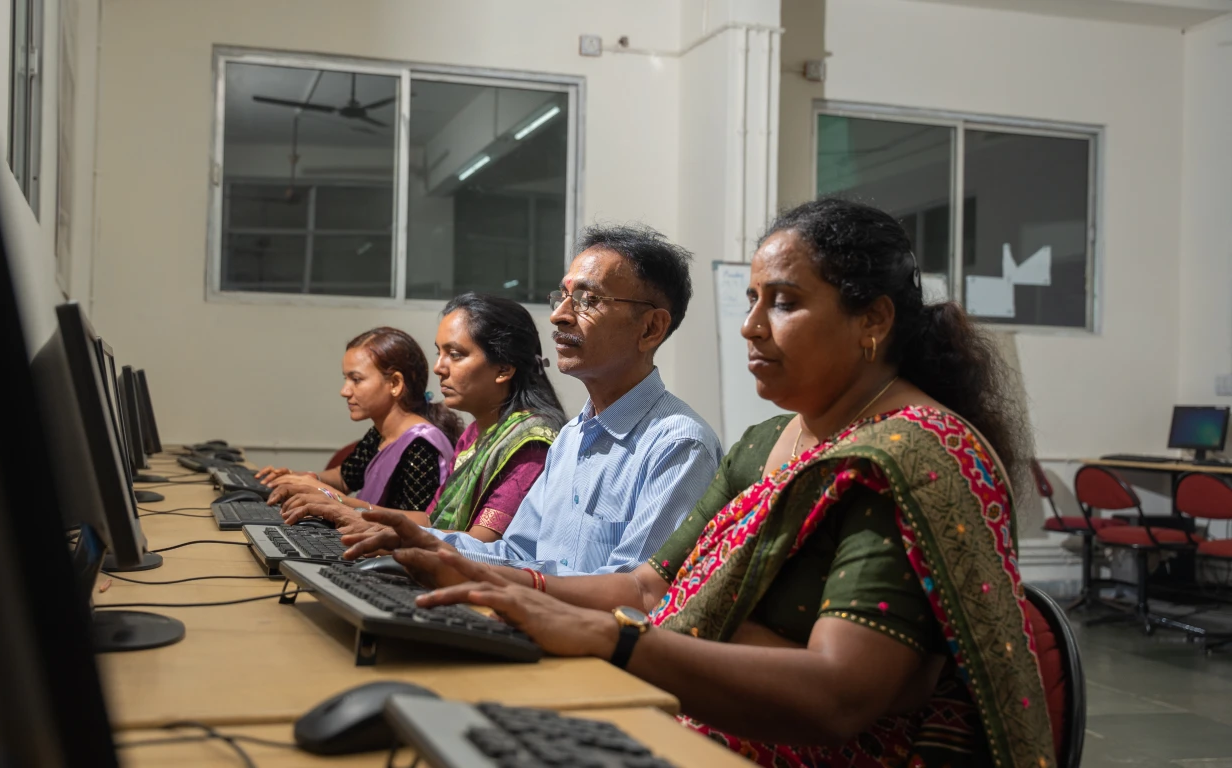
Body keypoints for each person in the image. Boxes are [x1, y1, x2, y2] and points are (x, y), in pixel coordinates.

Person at [348, 200, 1056, 768]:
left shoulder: (909, 458)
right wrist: (504, 584)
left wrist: (614, 642)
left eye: (782, 302)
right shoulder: (762, 445)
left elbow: (840, 697)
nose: (749, 327)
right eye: (751, 299)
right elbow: (654, 587)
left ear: (872, 321)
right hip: (696, 711)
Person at [347, 224, 724, 576]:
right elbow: (515, 554)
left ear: (651, 328)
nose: (559, 316)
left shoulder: (678, 445)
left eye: (587, 300)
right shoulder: (571, 438)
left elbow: (635, 592)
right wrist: (413, 539)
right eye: (562, 296)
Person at [269, 294, 567, 543]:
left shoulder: (529, 444)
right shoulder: (476, 433)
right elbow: (430, 518)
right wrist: (337, 504)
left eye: (456, 354)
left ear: (503, 369)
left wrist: (349, 512)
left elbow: (480, 544)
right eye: (439, 353)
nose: (439, 368)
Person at [254, 327, 461, 512]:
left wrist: (329, 497)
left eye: (356, 380)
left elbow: (419, 523)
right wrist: (303, 478)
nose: (344, 391)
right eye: (346, 379)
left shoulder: (421, 445)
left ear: (395, 383)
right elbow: (345, 478)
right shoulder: (380, 432)